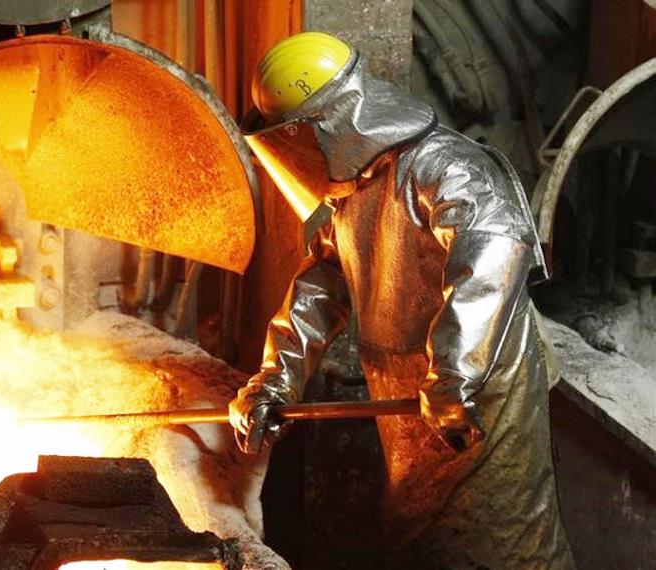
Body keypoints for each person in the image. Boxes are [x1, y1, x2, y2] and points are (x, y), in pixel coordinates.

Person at [229, 31, 575, 569]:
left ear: (325, 124)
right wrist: (276, 378)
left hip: (480, 394)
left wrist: (455, 374)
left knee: (498, 544)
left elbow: (492, 253)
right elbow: (324, 281)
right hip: (408, 392)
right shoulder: (352, 189)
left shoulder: (446, 166)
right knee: (421, 542)